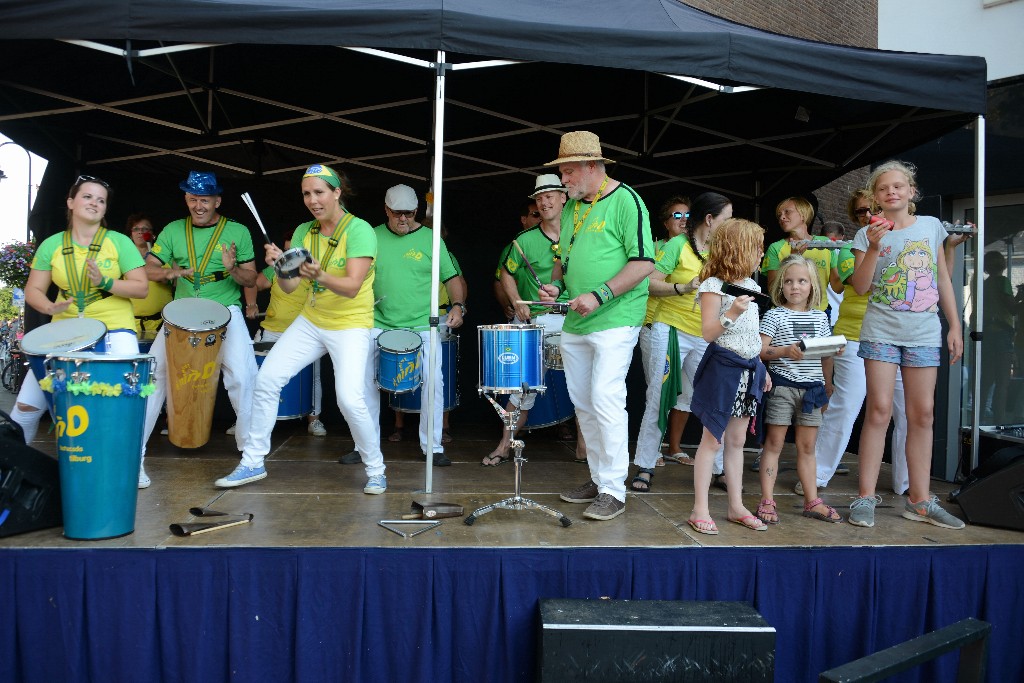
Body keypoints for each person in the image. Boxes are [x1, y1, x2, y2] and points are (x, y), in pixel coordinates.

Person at [215, 165, 385, 491]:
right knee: (265, 380)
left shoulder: (359, 230)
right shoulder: (304, 231)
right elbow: (290, 287)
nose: (312, 200)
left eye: (319, 192)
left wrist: (317, 275)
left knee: (349, 399)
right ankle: (252, 462)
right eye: (307, 193)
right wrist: (281, 266)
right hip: (311, 321)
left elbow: (351, 286)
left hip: (350, 326)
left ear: (337, 192)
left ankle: (376, 468)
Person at [539, 130, 655, 521]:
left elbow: (644, 264)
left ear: (593, 166)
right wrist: (556, 283)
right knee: (584, 402)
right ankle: (598, 477)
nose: (564, 180)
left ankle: (613, 489)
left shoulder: (627, 200)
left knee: (605, 398)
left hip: (615, 318)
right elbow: (564, 256)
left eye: (569, 171)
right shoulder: (572, 208)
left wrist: (600, 295)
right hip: (576, 318)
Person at [847, 160, 965, 529]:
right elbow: (862, 287)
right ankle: (865, 496)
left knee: (923, 415)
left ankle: (920, 500)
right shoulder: (867, 234)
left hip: (924, 331)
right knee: (879, 410)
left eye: (898, 186)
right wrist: (873, 246)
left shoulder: (932, 226)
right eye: (883, 189)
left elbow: (943, 279)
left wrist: (955, 326)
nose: (891, 192)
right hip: (881, 329)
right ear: (875, 196)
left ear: (912, 192)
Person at [140, 171, 259, 488]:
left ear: (217, 200)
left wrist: (232, 268)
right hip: (180, 314)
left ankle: (251, 458)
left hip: (226, 310)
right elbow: (149, 269)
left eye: (205, 199)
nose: (199, 205)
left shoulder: (236, 231)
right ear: (186, 199)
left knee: (244, 376)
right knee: (153, 376)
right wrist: (171, 271)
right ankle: (133, 457)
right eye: (193, 198)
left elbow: (252, 280)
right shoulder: (173, 230)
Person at [12, 175, 149, 443]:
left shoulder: (119, 242)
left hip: (115, 328)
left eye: (101, 200)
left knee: (124, 402)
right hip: (64, 330)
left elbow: (141, 288)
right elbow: (33, 290)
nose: (94, 203)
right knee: (26, 408)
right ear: (71, 202)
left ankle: (132, 467)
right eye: (88, 196)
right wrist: (50, 306)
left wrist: (105, 282)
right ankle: (13, 476)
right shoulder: (52, 244)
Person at [482, 174, 586, 466]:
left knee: (584, 384)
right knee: (520, 387)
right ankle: (505, 446)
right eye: (540, 198)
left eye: (550, 195)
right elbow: (505, 273)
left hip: (572, 320)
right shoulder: (524, 241)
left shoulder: (580, 235)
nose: (545, 202)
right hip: (534, 321)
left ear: (564, 197)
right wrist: (517, 302)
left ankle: (584, 447)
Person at [631, 193, 732, 493]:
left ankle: (719, 467)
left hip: (704, 332)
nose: (730, 225)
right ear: (711, 220)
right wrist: (682, 287)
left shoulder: (721, 251)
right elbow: (648, 282)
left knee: (715, 398)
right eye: (726, 218)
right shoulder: (677, 244)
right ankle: (646, 464)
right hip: (669, 328)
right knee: (659, 396)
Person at [368, 184, 466, 466]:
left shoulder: (431, 239)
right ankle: (365, 446)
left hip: (423, 325)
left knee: (434, 382)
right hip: (377, 321)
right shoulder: (371, 237)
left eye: (409, 214)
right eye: (397, 213)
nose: (403, 219)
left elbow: (452, 279)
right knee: (362, 385)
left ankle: (432, 447)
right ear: (386, 210)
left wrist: (458, 306)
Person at [686, 218, 770, 535]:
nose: (761, 255)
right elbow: (709, 332)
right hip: (723, 369)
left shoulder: (753, 287)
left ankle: (736, 506)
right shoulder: (713, 286)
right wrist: (731, 312)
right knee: (712, 440)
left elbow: (753, 337)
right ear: (739, 249)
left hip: (748, 371)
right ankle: (700, 509)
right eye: (757, 248)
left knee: (736, 440)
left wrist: (761, 368)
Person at [756, 255, 840, 525]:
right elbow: (759, 349)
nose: (795, 287)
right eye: (789, 281)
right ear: (781, 285)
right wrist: (784, 351)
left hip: (813, 390)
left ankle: (811, 501)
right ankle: (767, 499)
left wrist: (828, 384)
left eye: (802, 281)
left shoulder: (820, 317)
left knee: (807, 447)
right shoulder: (774, 315)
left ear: (812, 285)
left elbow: (826, 356)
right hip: (782, 386)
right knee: (775, 443)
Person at [241, 226, 328, 437]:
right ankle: (250, 421)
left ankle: (313, 420)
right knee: (258, 376)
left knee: (312, 376)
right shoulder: (275, 270)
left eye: (293, 252)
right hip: (272, 330)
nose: (289, 257)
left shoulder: (312, 271)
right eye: (285, 252)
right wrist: (251, 304)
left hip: (304, 333)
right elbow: (253, 281)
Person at [125, 212, 173, 337]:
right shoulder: (122, 259)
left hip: (163, 323)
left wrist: (167, 279)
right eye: (136, 229)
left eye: (145, 229)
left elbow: (180, 285)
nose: (140, 232)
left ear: (153, 235)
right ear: (131, 234)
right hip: (131, 324)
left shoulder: (167, 258)